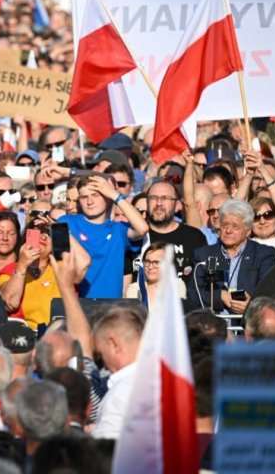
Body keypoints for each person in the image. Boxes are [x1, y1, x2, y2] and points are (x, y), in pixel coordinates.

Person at [57, 174, 149, 298]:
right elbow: (59, 263)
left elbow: (142, 228)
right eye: (84, 197)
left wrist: (115, 196)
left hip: (110, 309)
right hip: (76, 305)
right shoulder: (66, 222)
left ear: (107, 197)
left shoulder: (118, 230)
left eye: (95, 195)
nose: (89, 202)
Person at [191, 200, 275, 314]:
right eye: (225, 224)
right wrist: (220, 295)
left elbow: (269, 293)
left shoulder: (263, 254)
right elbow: (194, 292)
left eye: (235, 226)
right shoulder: (205, 255)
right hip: (214, 324)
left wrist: (250, 306)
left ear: (248, 231)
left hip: (248, 324)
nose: (228, 230)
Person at [91, 307, 144, 439]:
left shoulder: (118, 397)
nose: (103, 366)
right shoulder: (170, 379)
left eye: (100, 355)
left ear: (113, 344)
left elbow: (105, 453)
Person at [143, 179, 208, 286]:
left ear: (178, 205)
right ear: (147, 203)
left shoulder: (194, 237)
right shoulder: (136, 236)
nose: (159, 203)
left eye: (165, 198)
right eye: (153, 198)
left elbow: (204, 280)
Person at [127, 242, 186, 309]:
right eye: (147, 261)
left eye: (156, 262)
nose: (150, 267)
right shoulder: (135, 288)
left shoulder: (176, 285)